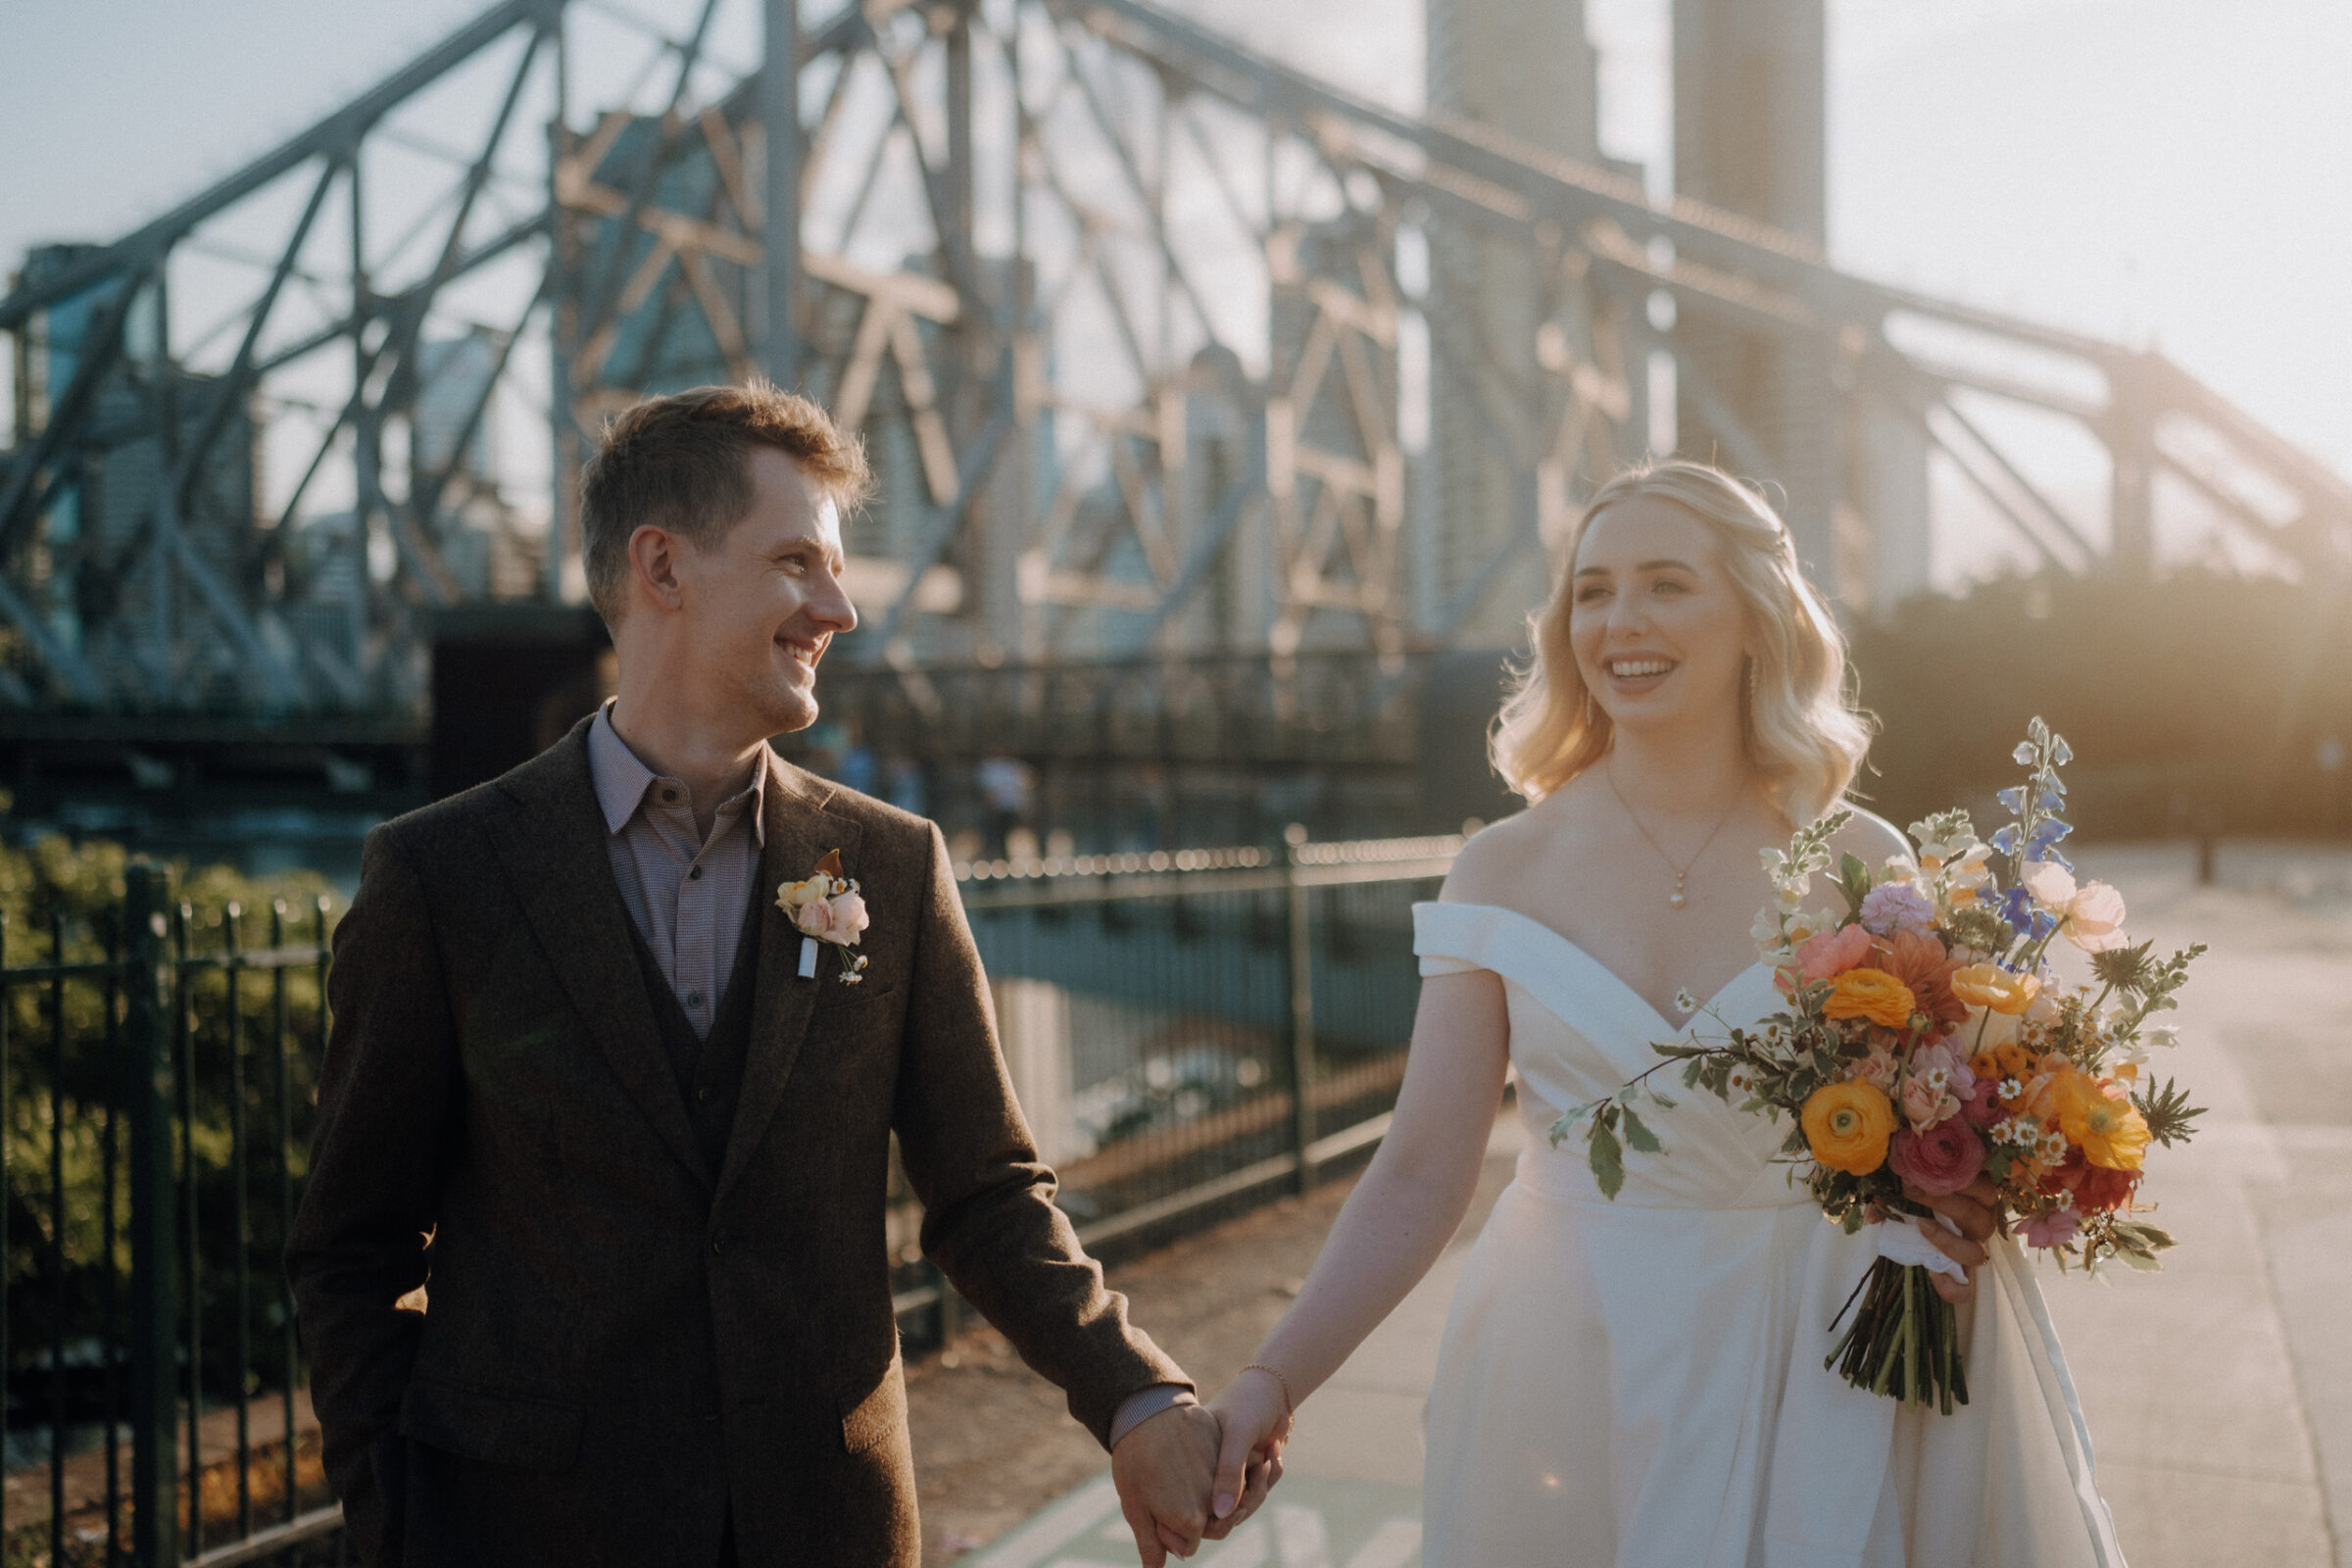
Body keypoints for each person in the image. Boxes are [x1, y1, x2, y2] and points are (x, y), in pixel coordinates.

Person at [287, 381, 1269, 1567]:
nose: (842, 608)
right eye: (799, 561)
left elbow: (987, 1192)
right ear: (662, 568)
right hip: (522, 1532)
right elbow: (352, 1245)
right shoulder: (439, 875)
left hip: (832, 1526)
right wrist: (393, 1519)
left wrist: (1136, 1395)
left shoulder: (894, 868)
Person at [1203, 462, 2127, 1565]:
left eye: (1664, 584)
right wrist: (1271, 1378)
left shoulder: (1864, 864)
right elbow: (1419, 1172)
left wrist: (1966, 1191)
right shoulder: (1499, 871)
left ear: (1755, 618)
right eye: (1592, 591)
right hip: (1564, 1359)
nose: (1618, 621)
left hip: (1819, 1357)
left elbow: (1935, 1112)